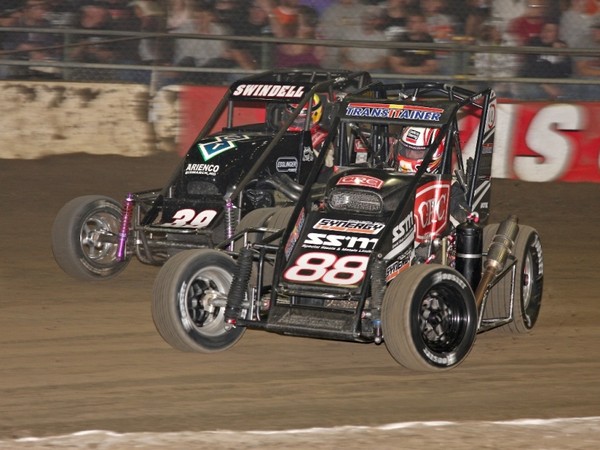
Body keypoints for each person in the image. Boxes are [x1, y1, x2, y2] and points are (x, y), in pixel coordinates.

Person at [517, 20, 573, 99]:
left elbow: (567, 72)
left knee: (573, 88)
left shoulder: (561, 45)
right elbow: (530, 68)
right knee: (532, 90)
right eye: (544, 30)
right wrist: (545, 85)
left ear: (557, 34)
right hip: (534, 82)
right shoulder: (534, 43)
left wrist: (561, 56)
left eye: (549, 31)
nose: (545, 33)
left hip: (555, 82)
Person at [472, 20, 519, 97]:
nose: (498, 32)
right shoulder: (482, 45)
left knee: (501, 90)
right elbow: (480, 66)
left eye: (499, 29)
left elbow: (512, 66)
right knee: (483, 86)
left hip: (504, 79)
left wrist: (501, 80)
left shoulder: (509, 43)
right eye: (495, 30)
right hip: (486, 78)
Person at [388, 10, 438, 76]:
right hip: (402, 76)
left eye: (414, 22)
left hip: (423, 76)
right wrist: (417, 70)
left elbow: (432, 65)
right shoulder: (399, 39)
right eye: (409, 22)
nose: (410, 24)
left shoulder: (428, 39)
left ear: (422, 24)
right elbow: (396, 67)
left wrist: (419, 71)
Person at [339, 7, 389, 72]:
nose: (367, 21)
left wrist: (372, 65)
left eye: (370, 19)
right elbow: (342, 54)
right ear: (362, 19)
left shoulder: (381, 37)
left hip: (373, 69)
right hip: (352, 67)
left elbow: (384, 59)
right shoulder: (351, 33)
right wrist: (348, 61)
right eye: (365, 18)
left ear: (376, 21)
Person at [574, 19, 600, 99]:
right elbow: (582, 70)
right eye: (594, 29)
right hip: (587, 81)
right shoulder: (585, 41)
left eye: (598, 29)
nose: (595, 32)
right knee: (592, 87)